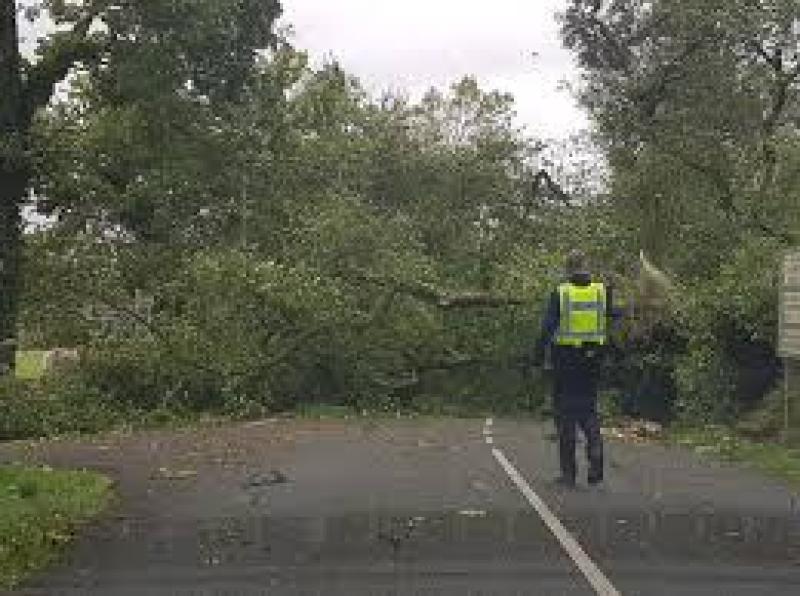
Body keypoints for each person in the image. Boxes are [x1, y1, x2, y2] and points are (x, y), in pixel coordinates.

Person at [533, 249, 617, 488]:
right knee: (588, 408)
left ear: (568, 269)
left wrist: (537, 357)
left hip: (566, 359)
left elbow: (547, 328)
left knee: (565, 415)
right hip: (593, 358)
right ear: (586, 267)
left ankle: (569, 474)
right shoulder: (602, 292)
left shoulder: (562, 293)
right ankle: (596, 450)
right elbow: (611, 318)